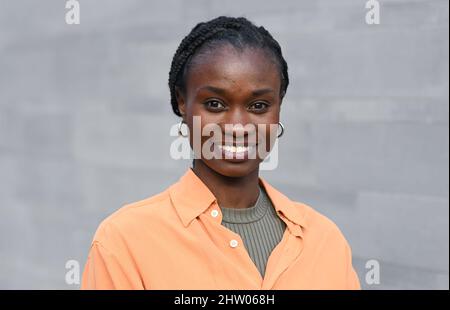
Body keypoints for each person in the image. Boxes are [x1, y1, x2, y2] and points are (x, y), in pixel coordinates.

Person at [81, 16, 360, 290]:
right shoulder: (124, 242)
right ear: (182, 103)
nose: (238, 127)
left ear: (278, 108)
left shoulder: (326, 241)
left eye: (259, 105)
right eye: (215, 104)